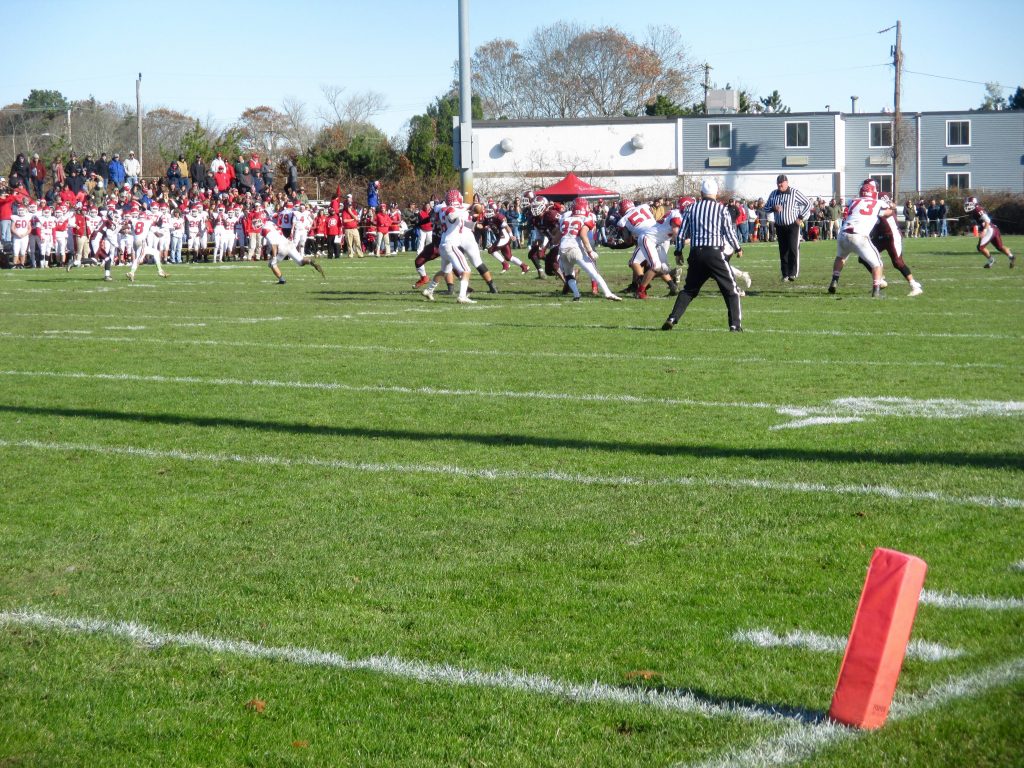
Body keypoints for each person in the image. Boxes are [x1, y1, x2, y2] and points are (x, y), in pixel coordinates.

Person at [661, 178, 742, 331]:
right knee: (731, 290)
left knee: (689, 290)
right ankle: (735, 325)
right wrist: (738, 248)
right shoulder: (721, 209)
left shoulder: (692, 209)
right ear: (716, 193)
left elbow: (681, 233)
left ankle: (672, 318)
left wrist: (678, 251)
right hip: (714, 254)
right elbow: (729, 232)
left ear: (701, 193)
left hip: (696, 253)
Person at [827, 179, 891, 298]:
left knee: (840, 257)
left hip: (843, 233)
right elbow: (887, 212)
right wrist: (891, 205)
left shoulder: (853, 201)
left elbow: (851, 205)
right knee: (877, 263)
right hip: (859, 236)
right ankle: (876, 290)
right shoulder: (878, 202)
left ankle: (834, 280)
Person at [557, 197, 621, 301]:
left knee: (568, 274)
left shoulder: (565, 218)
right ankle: (608, 293)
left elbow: (558, 236)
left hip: (562, 249)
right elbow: (583, 234)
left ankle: (576, 295)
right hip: (575, 249)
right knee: (593, 272)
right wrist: (590, 251)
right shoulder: (587, 218)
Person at [869, 197, 923, 296]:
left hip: (892, 237)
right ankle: (880, 280)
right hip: (881, 237)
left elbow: (889, 210)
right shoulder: (874, 203)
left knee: (897, 262)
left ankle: (915, 286)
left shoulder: (882, 205)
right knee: (864, 257)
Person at [764, 174, 810, 281]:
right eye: (778, 183)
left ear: (786, 183)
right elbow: (766, 208)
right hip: (780, 226)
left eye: (782, 182)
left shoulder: (794, 192)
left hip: (792, 225)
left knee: (793, 249)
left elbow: (808, 203)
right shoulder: (773, 194)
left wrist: (800, 217)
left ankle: (793, 273)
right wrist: (773, 208)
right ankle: (785, 274)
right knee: (783, 250)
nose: (780, 185)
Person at [964, 196, 1015, 268]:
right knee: (999, 247)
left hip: (989, 229)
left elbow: (987, 220)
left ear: (974, 203)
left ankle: (991, 260)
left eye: (969, 204)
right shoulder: (975, 210)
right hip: (994, 229)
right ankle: (1011, 257)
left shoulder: (977, 209)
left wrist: (984, 230)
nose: (967, 206)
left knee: (980, 247)